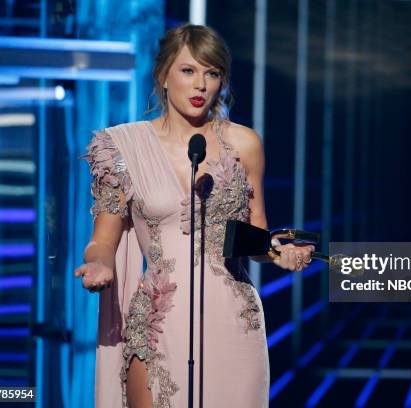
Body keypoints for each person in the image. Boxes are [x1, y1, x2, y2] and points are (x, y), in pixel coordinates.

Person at [73, 24, 314, 407]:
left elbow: (255, 237)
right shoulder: (122, 147)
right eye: (188, 70)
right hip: (158, 320)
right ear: (163, 75)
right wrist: (98, 264)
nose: (200, 84)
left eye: (212, 73)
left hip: (232, 321)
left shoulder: (245, 144)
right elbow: (103, 240)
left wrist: (277, 251)